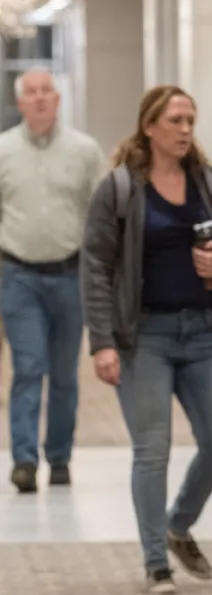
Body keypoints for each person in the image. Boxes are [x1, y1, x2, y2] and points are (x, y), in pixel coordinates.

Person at [80, 85, 212, 594]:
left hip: (204, 331)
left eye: (190, 120)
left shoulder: (207, 182)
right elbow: (96, 268)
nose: (185, 130)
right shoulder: (119, 188)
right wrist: (102, 341)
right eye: (175, 120)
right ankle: (156, 560)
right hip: (144, 336)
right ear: (149, 125)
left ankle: (179, 524)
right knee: (152, 450)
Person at [0, 67, 106, 494]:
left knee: (63, 373)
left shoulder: (85, 151)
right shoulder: (3, 151)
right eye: (32, 92)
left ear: (58, 99)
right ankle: (24, 460)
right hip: (18, 275)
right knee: (28, 367)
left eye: (47, 90)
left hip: (69, 275)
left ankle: (59, 457)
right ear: (20, 102)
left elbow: (101, 217)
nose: (40, 97)